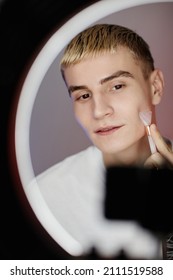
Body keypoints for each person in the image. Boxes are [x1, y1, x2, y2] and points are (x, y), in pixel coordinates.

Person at [29, 24, 173, 259]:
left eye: (117, 86)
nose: (99, 111)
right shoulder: (43, 198)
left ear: (154, 87)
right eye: (83, 96)